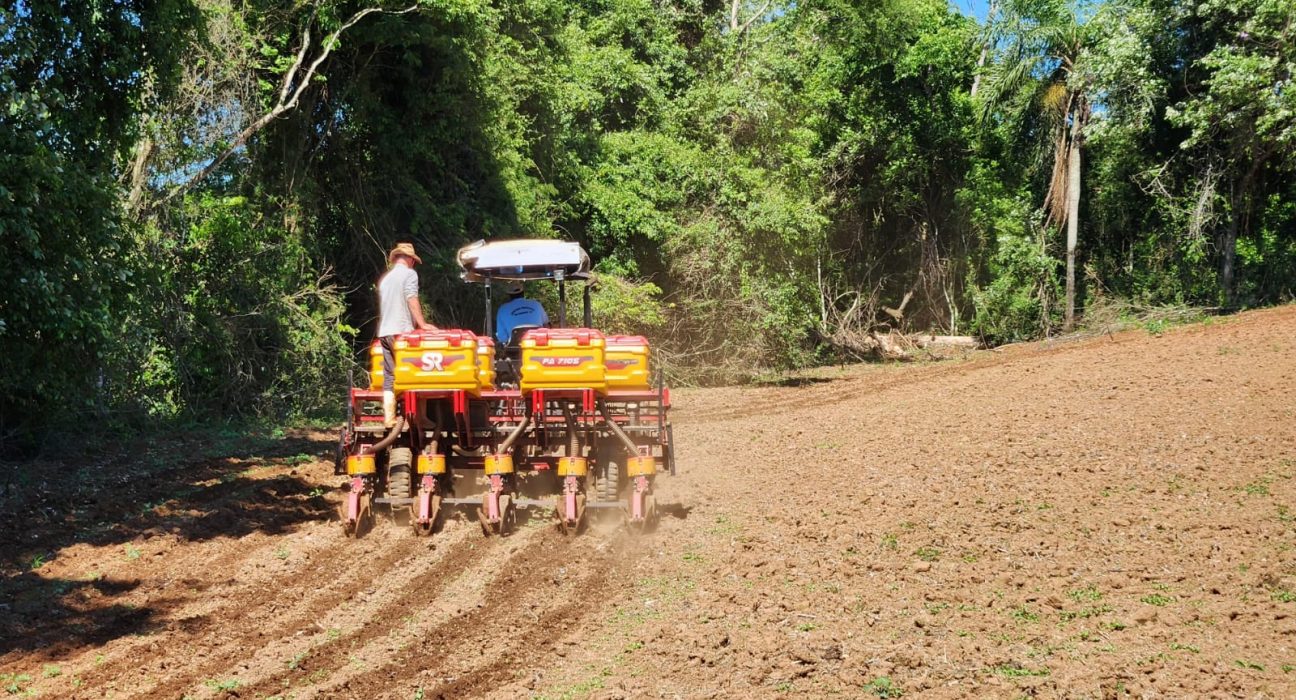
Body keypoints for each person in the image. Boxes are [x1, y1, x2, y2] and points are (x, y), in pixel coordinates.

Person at [377, 242, 433, 428]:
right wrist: (422, 324)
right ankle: (419, 418)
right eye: (413, 261)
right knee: (417, 373)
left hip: (385, 333)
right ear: (409, 259)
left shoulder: (386, 279)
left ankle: (389, 418)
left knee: (390, 376)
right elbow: (411, 298)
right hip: (402, 332)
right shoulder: (409, 274)